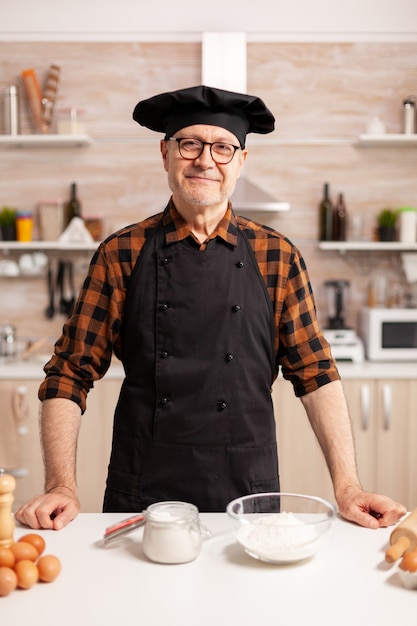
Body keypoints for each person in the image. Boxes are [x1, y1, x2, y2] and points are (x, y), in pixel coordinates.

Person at [16, 85, 405, 531]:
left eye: (222, 147)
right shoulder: (121, 252)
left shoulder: (277, 255)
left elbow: (316, 374)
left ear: (240, 161)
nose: (205, 160)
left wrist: (349, 487)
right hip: (143, 492)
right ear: (165, 153)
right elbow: (69, 372)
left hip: (249, 491)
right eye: (190, 144)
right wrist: (61, 485)